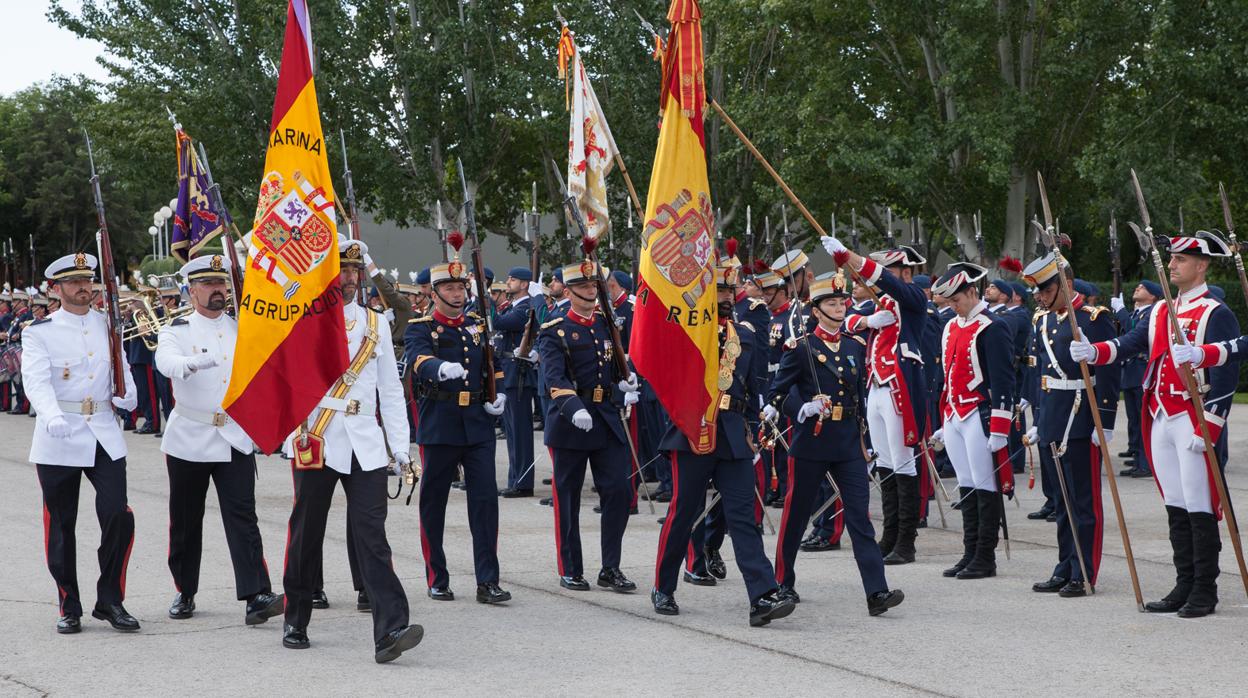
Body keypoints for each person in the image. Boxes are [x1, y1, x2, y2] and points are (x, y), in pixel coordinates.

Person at [1071, 230, 1238, 618]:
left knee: (1198, 504)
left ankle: (1204, 588)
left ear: (1202, 265)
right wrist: (1096, 351)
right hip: (1161, 414)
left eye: (1180, 260)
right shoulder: (1163, 310)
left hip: (1193, 419)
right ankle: (1183, 582)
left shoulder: (1216, 311)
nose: (1173, 265)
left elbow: (1227, 373)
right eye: (1172, 259)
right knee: (1175, 503)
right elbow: (1133, 343)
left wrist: (1209, 425)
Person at [281, 237, 422, 662]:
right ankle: (296, 617)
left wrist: (400, 448)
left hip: (365, 442)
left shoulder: (376, 323)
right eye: (339, 270)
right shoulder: (303, 320)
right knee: (307, 533)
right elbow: (286, 380)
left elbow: (391, 392)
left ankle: (390, 629)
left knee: (372, 537)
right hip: (318, 436)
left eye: (353, 271)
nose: (346, 278)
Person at [651, 254, 794, 626]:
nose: (726, 295)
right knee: (684, 512)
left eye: (730, 288)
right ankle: (663, 586)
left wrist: (754, 427)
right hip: (693, 428)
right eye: (718, 289)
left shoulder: (745, 333)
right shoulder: (686, 331)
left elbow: (752, 384)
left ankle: (762, 595)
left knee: (743, 517)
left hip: (732, 432)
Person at [765, 271, 904, 615]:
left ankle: (877, 591)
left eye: (842, 301)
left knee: (860, 518)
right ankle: (783, 583)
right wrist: (803, 408)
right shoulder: (800, 349)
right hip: (811, 442)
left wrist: (866, 443)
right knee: (796, 517)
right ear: (816, 310)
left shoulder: (855, 346)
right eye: (831, 302)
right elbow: (777, 394)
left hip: (846, 445)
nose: (840, 307)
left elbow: (860, 400)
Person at [155, 254, 284, 623]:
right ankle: (185, 590)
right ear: (191, 290)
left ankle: (256, 594)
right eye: (209, 285)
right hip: (190, 437)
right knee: (185, 519)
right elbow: (165, 362)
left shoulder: (241, 326)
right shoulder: (176, 330)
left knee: (243, 515)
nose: (218, 291)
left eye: (221, 284)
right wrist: (189, 364)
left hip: (233, 435)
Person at [23, 252, 139, 634]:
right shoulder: (39, 332)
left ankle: (110, 600)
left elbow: (119, 365)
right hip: (60, 432)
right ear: (56, 289)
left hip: (103, 429)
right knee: (61, 524)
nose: (83, 287)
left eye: (87, 280)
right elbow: (37, 381)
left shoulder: (109, 325)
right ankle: (68, 604)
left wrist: (129, 395)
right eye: (73, 282)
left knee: (117, 515)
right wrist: (50, 413)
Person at [405, 252, 511, 604]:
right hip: (440, 423)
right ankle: (437, 576)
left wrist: (496, 394)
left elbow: (492, 366)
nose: (456, 293)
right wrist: (438, 368)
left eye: (459, 287)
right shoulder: (420, 327)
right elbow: (418, 359)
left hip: (478, 425)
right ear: (434, 293)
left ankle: (488, 580)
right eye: (448, 288)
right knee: (433, 504)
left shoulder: (478, 325)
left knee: (485, 504)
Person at [821, 235, 929, 566]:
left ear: (904, 273)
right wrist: (868, 321)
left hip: (900, 387)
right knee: (883, 462)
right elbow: (847, 320)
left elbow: (885, 283)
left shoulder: (911, 298)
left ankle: (906, 541)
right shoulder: (876, 302)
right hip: (877, 386)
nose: (879, 276)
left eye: (889, 270)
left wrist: (850, 256)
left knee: (902, 461)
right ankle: (890, 535)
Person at [535, 258, 636, 593]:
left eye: (594, 286)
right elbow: (554, 377)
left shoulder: (607, 324)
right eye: (584, 287)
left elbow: (618, 363)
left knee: (619, 492)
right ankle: (571, 567)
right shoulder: (555, 328)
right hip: (570, 420)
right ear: (568, 290)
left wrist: (628, 381)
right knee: (568, 497)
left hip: (606, 418)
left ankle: (611, 567)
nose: (591, 292)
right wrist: (573, 406)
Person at [1022, 253, 1119, 598]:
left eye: (1045, 290)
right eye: (1038, 292)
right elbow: (1039, 372)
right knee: (1061, 500)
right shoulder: (1042, 321)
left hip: (1080, 415)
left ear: (1065, 284)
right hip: (1052, 416)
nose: (1040, 297)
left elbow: (1108, 371)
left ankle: (1084, 571)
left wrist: (1104, 421)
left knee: (1082, 501)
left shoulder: (1094, 319)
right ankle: (1065, 566)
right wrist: (1038, 419)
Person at [929, 263, 1014, 580]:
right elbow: (946, 374)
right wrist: (942, 418)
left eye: (957, 299)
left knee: (983, 484)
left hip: (979, 414)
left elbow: (1004, 380)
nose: (952, 306)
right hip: (953, 414)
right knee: (965, 486)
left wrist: (1001, 428)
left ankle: (984, 556)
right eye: (949, 301)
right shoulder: (951, 326)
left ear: (971, 291)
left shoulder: (992, 326)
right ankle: (969, 551)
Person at [494, 266, 543, 498]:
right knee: (513, 431)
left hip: (519, 374)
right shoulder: (516, 306)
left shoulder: (525, 308)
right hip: (509, 372)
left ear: (524, 284)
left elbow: (499, 323)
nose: (508, 281)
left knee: (520, 431)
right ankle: (516, 478)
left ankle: (523, 482)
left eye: (513, 279)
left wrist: (482, 295)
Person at [1110, 281, 1160, 478]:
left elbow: (1134, 332)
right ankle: (1138, 458)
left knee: (1142, 420)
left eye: (1143, 288)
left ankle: (1145, 463)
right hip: (1131, 372)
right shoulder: (1138, 313)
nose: (1137, 289)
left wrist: (1121, 310)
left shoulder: (1152, 313)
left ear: (1153, 296)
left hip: (1141, 371)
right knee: (1134, 419)